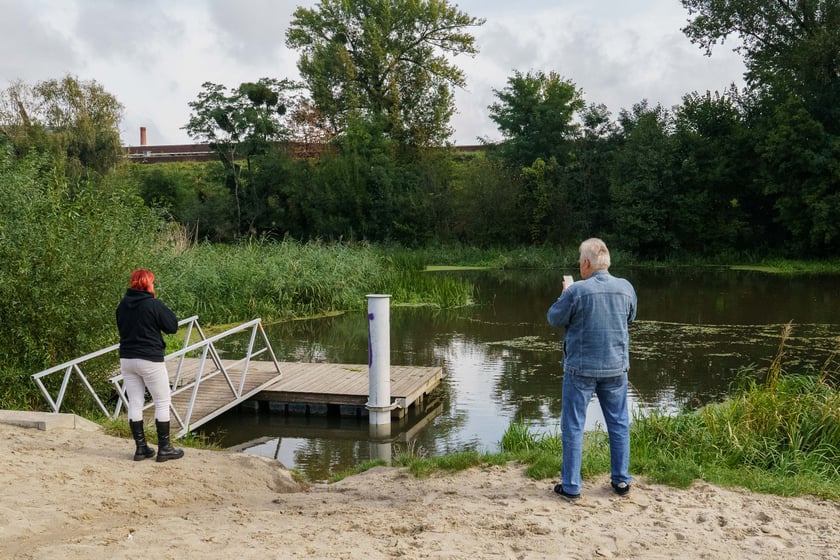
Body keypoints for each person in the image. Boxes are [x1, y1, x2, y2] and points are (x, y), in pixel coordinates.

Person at [546, 238, 637, 501]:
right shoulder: (626, 287)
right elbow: (630, 317)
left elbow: (554, 317)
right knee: (618, 423)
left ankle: (571, 486)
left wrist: (565, 292)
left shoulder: (576, 291)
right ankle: (621, 481)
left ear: (586, 263)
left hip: (580, 370)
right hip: (616, 367)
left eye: (580, 261)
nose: (579, 265)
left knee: (573, 426)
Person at [116, 269, 184, 462]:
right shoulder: (153, 304)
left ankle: (141, 448)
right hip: (149, 359)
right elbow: (172, 326)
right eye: (152, 282)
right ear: (147, 284)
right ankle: (165, 448)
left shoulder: (122, 306)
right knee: (162, 401)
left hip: (127, 359)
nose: (154, 285)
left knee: (135, 402)